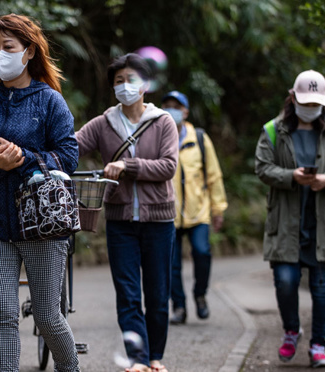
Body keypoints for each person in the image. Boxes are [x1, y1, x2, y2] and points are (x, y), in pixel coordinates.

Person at [0, 14, 80, 372]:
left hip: (42, 225)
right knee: (2, 314)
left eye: (8, 47)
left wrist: (23, 158)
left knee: (47, 315)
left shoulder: (50, 102)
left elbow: (68, 157)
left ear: (28, 52)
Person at [76, 53, 178, 372]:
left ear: (145, 84)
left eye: (130, 80)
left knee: (158, 295)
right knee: (128, 294)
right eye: (118, 81)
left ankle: (156, 358)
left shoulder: (163, 122)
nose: (124, 86)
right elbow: (70, 146)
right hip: (120, 221)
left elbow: (168, 166)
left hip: (159, 221)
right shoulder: (103, 123)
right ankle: (138, 360)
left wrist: (127, 165)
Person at [254, 70, 325, 368]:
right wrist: (291, 177)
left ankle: (319, 345)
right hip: (286, 223)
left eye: (316, 103)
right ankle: (291, 330)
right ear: (293, 97)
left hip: (323, 223)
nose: (310, 107)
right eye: (305, 101)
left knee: (322, 289)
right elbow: (262, 168)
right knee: (286, 282)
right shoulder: (273, 130)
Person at [160, 91, 228, 324]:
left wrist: (218, 209)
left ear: (186, 111)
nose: (172, 110)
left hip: (198, 212)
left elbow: (214, 175)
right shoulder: (159, 136)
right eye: (167, 105)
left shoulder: (199, 138)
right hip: (167, 212)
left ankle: (200, 295)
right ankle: (178, 306)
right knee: (171, 263)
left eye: (176, 106)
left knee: (202, 252)